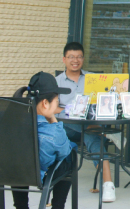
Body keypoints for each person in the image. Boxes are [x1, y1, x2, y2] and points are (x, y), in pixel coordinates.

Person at [55, 42, 116, 203]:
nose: (75, 60)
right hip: (67, 128)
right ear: (64, 59)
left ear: (83, 59)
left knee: (92, 137)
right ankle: (103, 133)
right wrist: (72, 111)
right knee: (87, 128)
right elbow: (53, 109)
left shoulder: (93, 79)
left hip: (89, 125)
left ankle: (108, 185)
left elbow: (104, 102)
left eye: (79, 57)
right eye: (71, 57)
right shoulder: (56, 82)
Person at [11, 72, 76, 209]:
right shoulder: (53, 131)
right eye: (57, 101)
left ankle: (21, 206)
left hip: (10, 173)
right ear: (45, 103)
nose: (57, 106)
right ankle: (58, 206)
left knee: (18, 161)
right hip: (40, 175)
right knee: (70, 156)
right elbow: (64, 152)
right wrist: (53, 119)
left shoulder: (4, 119)